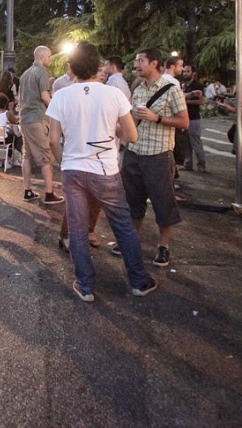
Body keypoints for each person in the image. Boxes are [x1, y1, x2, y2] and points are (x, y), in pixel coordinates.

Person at [47, 41, 157, 302]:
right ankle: (139, 281)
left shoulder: (61, 96)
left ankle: (85, 285)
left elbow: (53, 140)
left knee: (77, 229)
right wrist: (112, 130)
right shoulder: (113, 94)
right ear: (98, 67)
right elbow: (131, 135)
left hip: (73, 170)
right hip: (105, 169)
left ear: (71, 67)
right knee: (123, 225)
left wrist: (64, 161)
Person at [121, 47, 189, 267]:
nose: (136, 64)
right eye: (136, 60)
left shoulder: (171, 89)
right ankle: (132, 241)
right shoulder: (138, 89)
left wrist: (157, 117)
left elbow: (184, 122)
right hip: (134, 152)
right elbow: (133, 121)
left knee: (163, 201)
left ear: (154, 63)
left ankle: (163, 246)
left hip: (158, 154)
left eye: (141, 61)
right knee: (133, 200)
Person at [17, 46, 63, 205]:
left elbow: (20, 98)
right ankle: (49, 193)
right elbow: (45, 96)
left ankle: (27, 191)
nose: (50, 59)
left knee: (27, 155)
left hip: (24, 118)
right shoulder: (42, 72)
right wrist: (56, 110)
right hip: (37, 118)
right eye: (49, 56)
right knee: (45, 157)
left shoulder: (25, 74)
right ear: (42, 57)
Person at [181, 64, 207, 172]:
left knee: (196, 142)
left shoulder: (197, 86)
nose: (185, 73)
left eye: (188, 71)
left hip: (194, 118)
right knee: (186, 143)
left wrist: (187, 101)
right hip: (185, 117)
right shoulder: (184, 86)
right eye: (184, 71)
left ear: (193, 73)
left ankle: (201, 165)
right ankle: (188, 164)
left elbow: (202, 101)